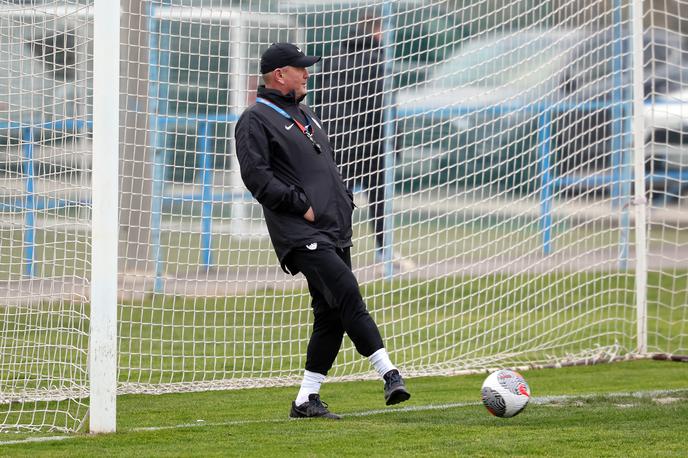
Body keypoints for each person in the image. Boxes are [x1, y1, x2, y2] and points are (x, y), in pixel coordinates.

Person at [234, 43, 411, 420]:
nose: (307, 73)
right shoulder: (255, 119)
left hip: (333, 228)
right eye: (301, 68)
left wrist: (342, 200)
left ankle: (305, 400)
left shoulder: (306, 114)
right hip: (299, 231)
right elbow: (256, 178)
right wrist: (302, 205)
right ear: (280, 74)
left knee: (330, 314)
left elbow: (324, 167)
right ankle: (389, 373)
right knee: (347, 292)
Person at [319, 12, 414, 270]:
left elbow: (319, 100)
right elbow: (384, 106)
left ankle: (327, 252)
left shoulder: (333, 57)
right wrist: (394, 144)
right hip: (371, 144)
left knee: (340, 200)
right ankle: (385, 254)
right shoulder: (379, 60)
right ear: (378, 31)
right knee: (380, 199)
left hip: (337, 143)